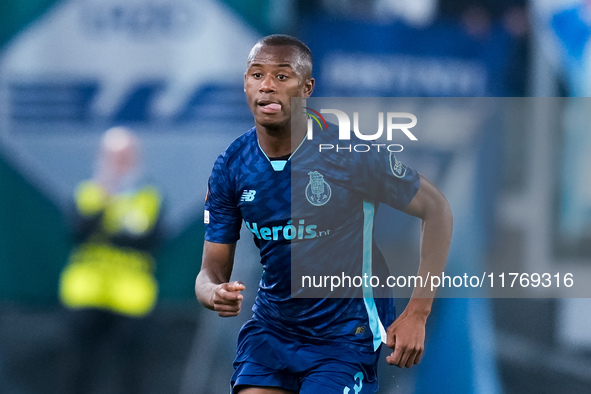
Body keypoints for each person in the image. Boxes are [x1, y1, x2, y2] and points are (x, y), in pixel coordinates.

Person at [195, 34, 453, 393]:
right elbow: (210, 271)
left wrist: (418, 313)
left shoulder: (349, 153)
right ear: (245, 84)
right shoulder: (231, 166)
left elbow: (436, 208)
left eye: (282, 77)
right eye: (257, 75)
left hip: (344, 338)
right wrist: (214, 292)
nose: (267, 86)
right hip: (271, 330)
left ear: (307, 87)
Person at [59, 127, 163, 394]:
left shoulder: (149, 198)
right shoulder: (86, 194)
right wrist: (107, 195)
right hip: (86, 297)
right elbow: (79, 232)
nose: (119, 164)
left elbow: (149, 241)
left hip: (131, 301)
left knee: (131, 376)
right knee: (80, 370)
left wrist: (109, 231)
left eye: (126, 157)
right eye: (113, 157)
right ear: (101, 158)